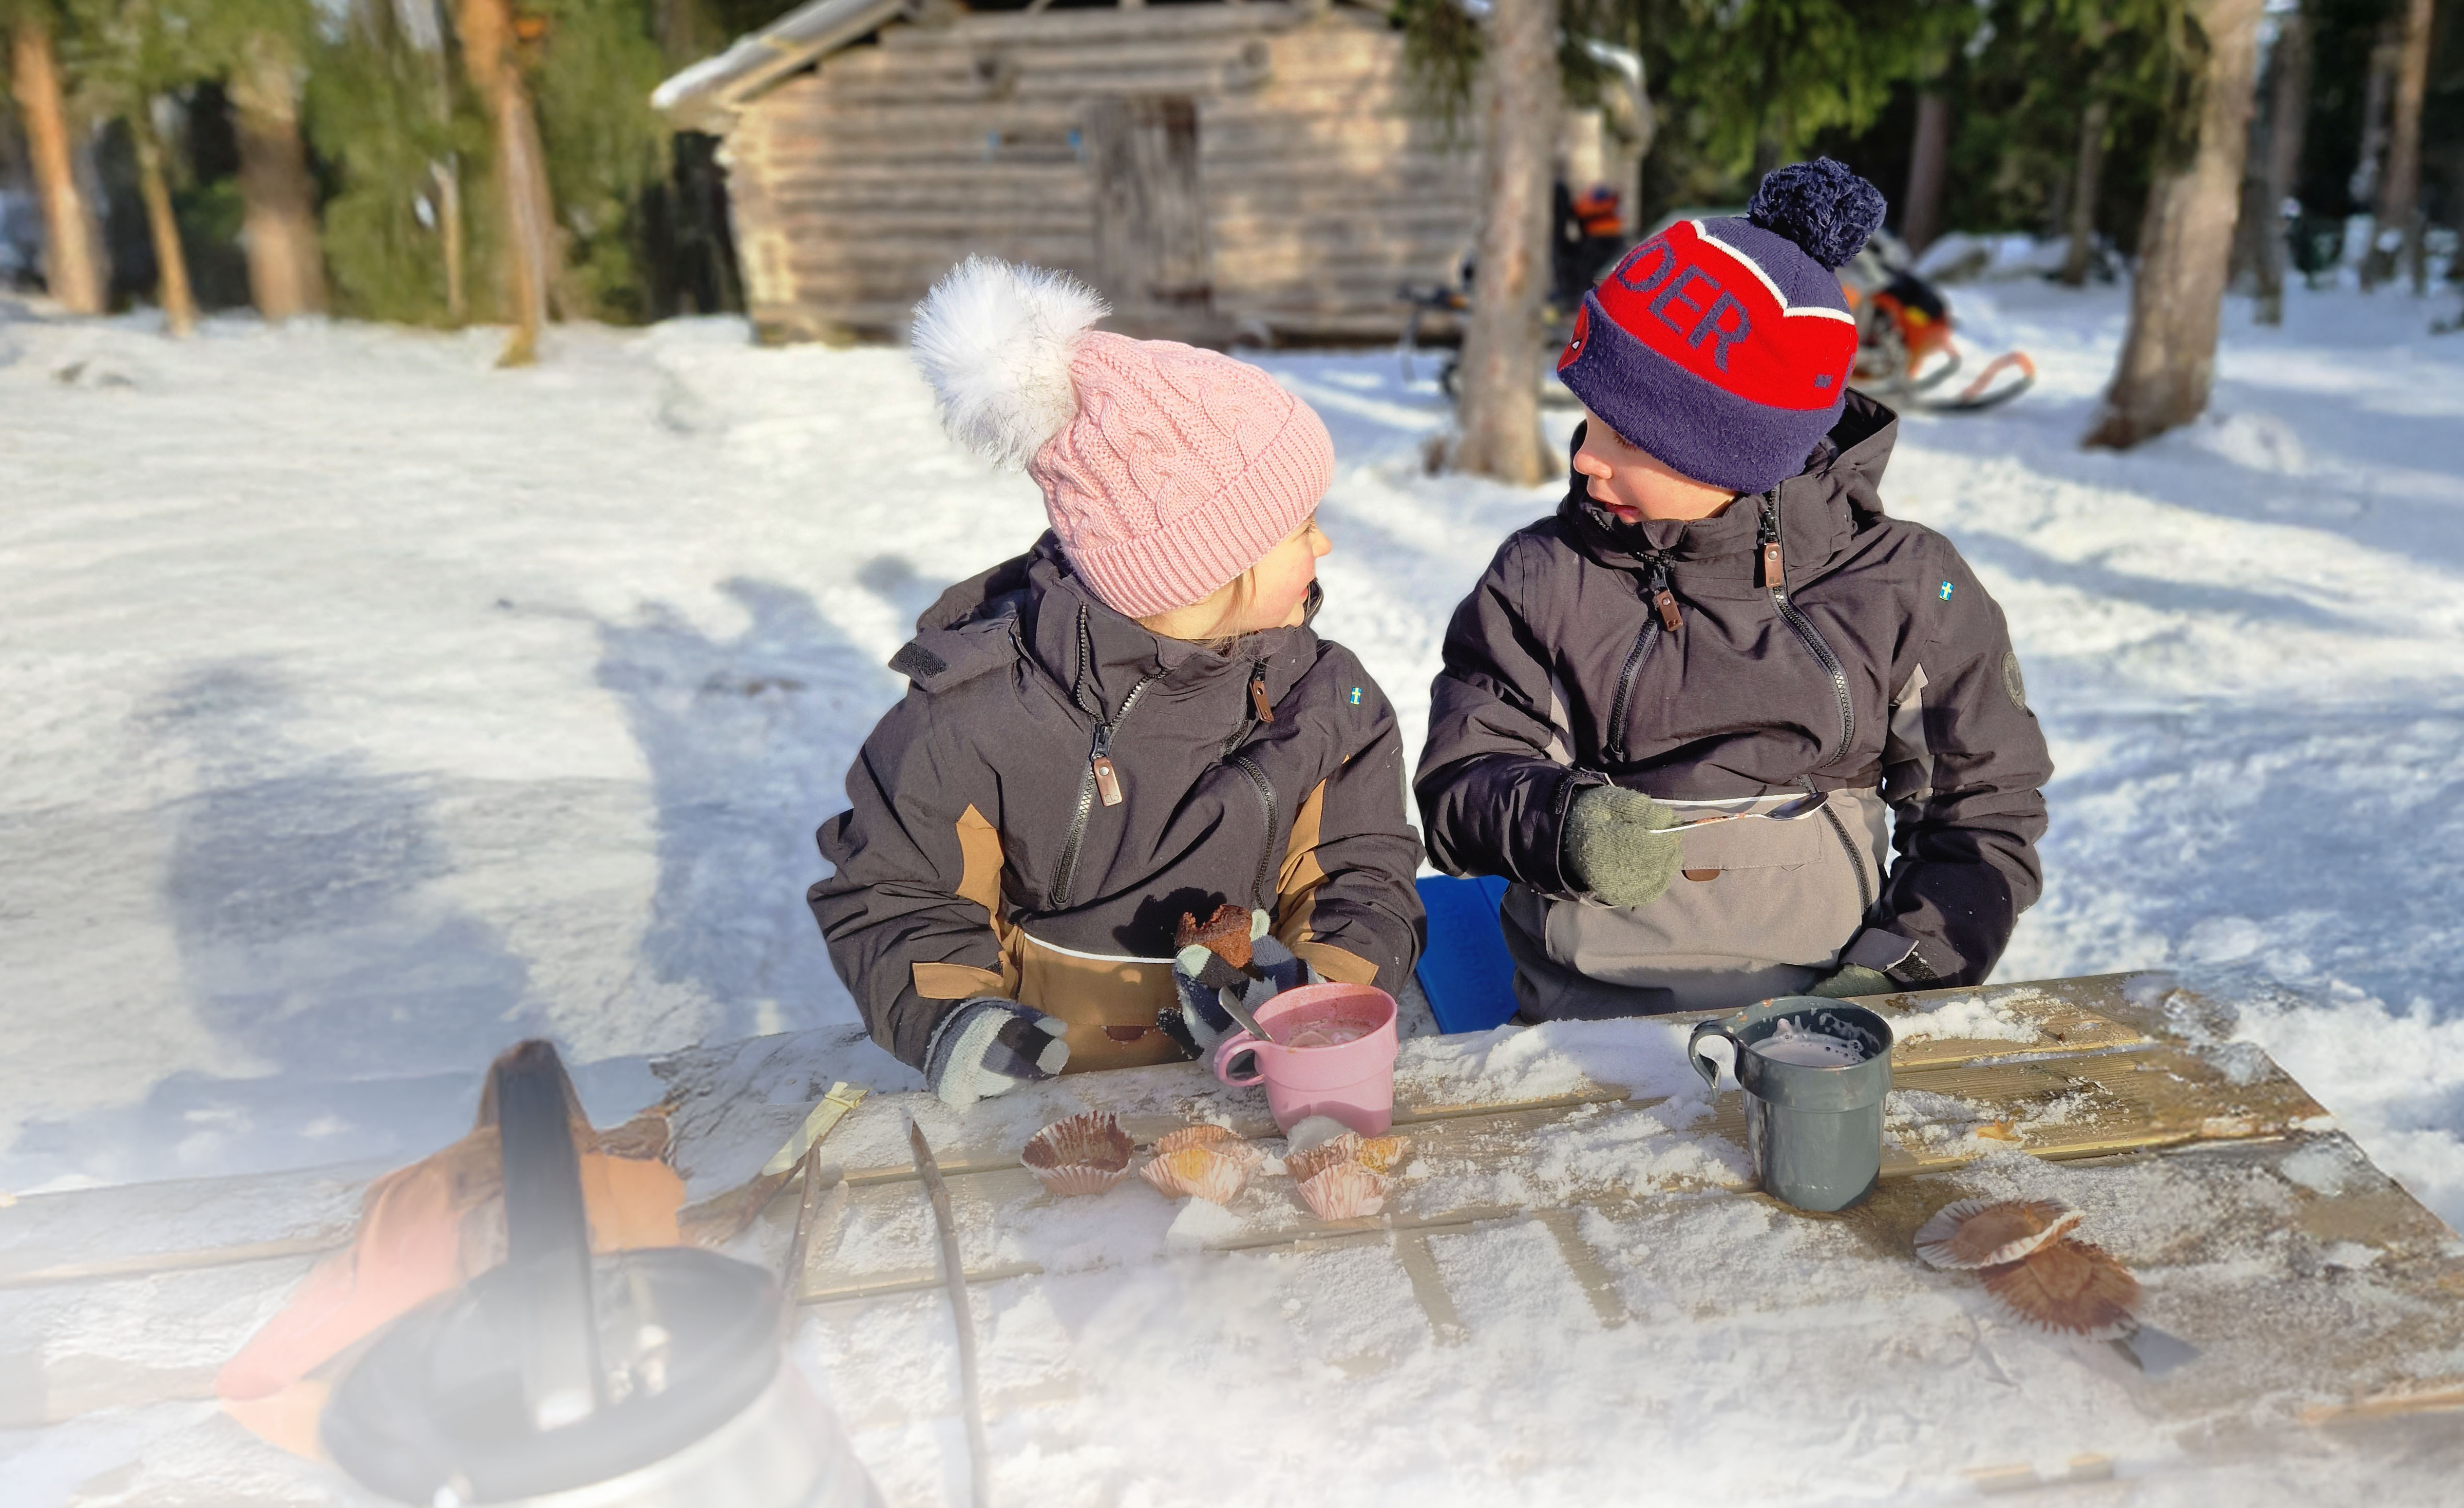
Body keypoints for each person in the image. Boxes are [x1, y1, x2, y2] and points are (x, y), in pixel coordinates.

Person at [1416, 160, 2051, 1021]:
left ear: (1739, 458)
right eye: (1588, 419)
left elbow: (1985, 811)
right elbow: (1463, 781)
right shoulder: (1546, 579)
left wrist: (1898, 979)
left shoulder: (1905, 590)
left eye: (1630, 439)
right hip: (1582, 1023)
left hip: (1829, 1020)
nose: (1585, 457)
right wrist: (1561, 826)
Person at [811, 259, 1424, 1106]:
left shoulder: (1328, 705)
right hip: (1040, 1095)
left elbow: (1362, 871)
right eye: (1301, 528)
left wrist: (1310, 992)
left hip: (1258, 1078)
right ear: (1200, 569)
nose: (1323, 550)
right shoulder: (979, 719)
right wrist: (957, 1018)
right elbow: (898, 890)